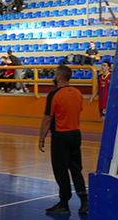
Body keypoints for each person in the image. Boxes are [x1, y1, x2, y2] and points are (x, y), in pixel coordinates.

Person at [38, 65, 88, 214]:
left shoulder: (54, 95)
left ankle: (64, 203)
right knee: (76, 169)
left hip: (61, 134)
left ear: (59, 77)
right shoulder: (78, 93)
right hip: (75, 133)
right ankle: (85, 200)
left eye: (54, 75)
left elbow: (47, 119)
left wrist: (41, 139)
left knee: (61, 170)